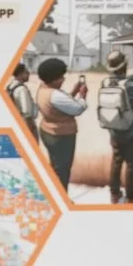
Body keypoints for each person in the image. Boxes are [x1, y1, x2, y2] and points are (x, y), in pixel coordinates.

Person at [95, 48, 133, 203]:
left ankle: (114, 193)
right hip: (131, 131)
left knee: (116, 161)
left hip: (114, 130)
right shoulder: (128, 86)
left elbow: (124, 81)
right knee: (131, 165)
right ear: (124, 66)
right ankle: (131, 196)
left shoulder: (105, 82)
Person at [30, 55, 88, 190]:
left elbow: (62, 104)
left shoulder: (43, 89)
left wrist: (74, 92)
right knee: (62, 170)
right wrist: (82, 95)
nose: (63, 79)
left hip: (47, 131)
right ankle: (62, 195)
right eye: (61, 77)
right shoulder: (55, 95)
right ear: (53, 79)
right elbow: (77, 109)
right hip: (61, 136)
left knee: (55, 166)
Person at [7, 59, 39, 137]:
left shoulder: (11, 85)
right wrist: (31, 127)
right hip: (26, 124)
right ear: (20, 74)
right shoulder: (22, 89)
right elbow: (27, 111)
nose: (29, 74)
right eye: (26, 72)